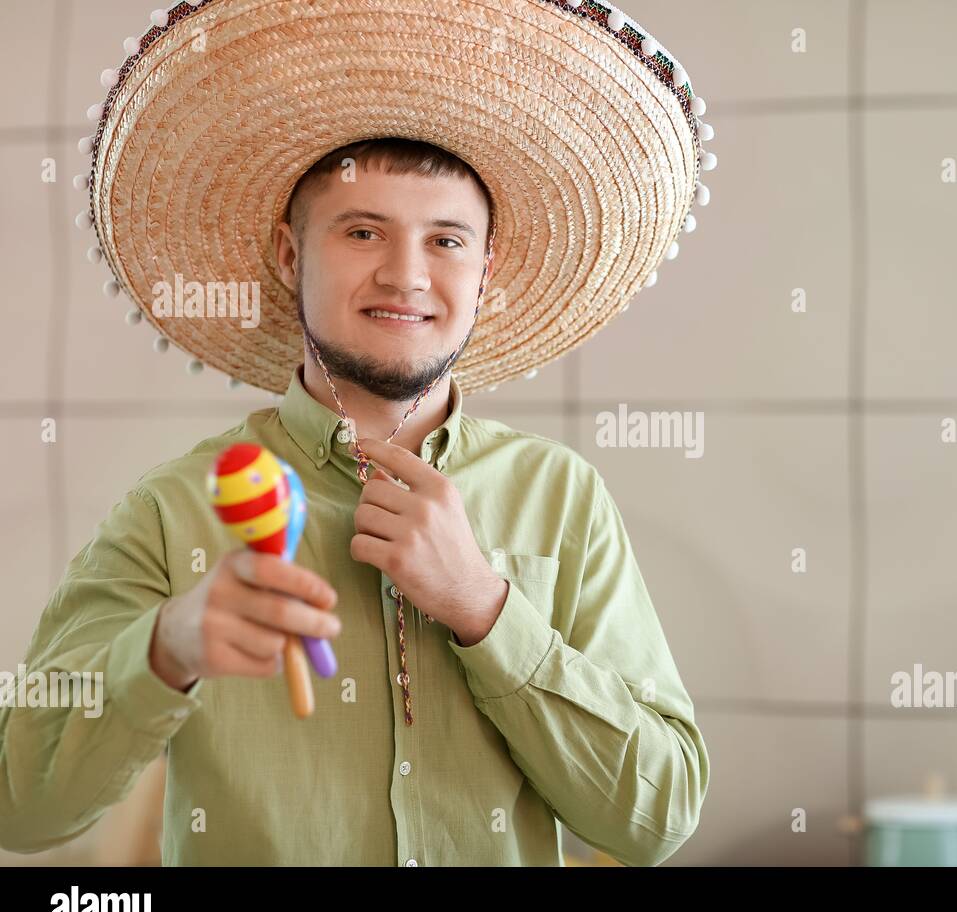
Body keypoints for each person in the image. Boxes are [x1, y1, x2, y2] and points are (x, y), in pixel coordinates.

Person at [0, 0, 715, 866]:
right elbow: (19, 808)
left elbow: (658, 819)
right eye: (362, 230)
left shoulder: (564, 499)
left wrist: (484, 610)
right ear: (290, 255)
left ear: (485, 272)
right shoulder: (172, 510)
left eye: (446, 240)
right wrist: (165, 649)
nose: (405, 274)